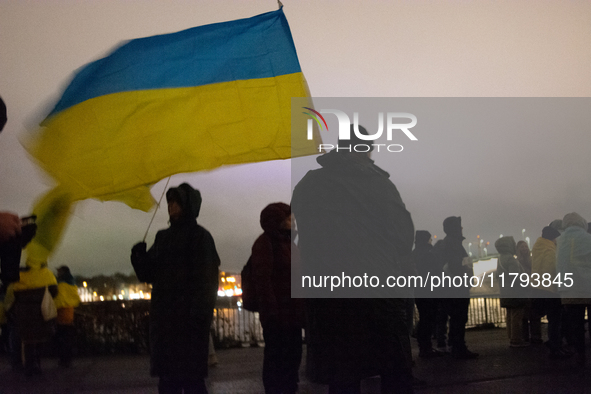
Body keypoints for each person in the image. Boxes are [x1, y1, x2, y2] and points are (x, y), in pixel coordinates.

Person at [292, 125, 415, 393]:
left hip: (330, 298)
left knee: (342, 376)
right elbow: (404, 238)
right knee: (394, 371)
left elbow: (303, 233)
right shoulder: (379, 184)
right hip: (377, 293)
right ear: (364, 149)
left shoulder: (308, 184)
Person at [131, 183, 220, 394]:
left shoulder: (200, 237)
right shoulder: (163, 237)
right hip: (165, 323)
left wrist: (198, 317)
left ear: (188, 205)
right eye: (169, 202)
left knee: (192, 382)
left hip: (188, 324)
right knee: (168, 382)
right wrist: (139, 258)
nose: (171, 206)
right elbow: (148, 274)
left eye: (176, 202)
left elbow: (207, 282)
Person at [252, 203, 303, 394]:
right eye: (289, 219)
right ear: (278, 221)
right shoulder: (265, 244)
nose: (293, 222)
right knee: (277, 363)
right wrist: (271, 313)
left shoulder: (290, 244)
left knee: (291, 361)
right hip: (279, 318)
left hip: (292, 316)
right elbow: (262, 280)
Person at [4, 258, 58, 376]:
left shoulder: (18, 276)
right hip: (40, 311)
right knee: (38, 339)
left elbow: (10, 296)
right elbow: (54, 291)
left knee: (27, 341)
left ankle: (28, 366)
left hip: (22, 312)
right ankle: (37, 364)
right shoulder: (46, 274)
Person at [435, 216, 479, 359]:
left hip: (452, 288)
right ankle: (458, 347)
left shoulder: (448, 243)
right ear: (454, 228)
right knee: (459, 317)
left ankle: (455, 345)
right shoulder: (454, 244)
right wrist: (466, 271)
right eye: (459, 226)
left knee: (456, 318)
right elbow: (456, 265)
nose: (461, 228)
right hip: (457, 288)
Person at [556, 212, 591, 366]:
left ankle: (580, 355)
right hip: (587, 286)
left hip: (568, 290)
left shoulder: (559, 241)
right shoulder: (588, 238)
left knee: (576, 325)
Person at [531, 225, 570, 359]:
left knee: (551, 320)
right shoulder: (550, 249)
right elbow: (553, 269)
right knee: (555, 320)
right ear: (553, 238)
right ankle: (555, 348)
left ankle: (555, 346)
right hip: (550, 290)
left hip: (539, 289)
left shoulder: (538, 248)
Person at [411, 230, 445, 358]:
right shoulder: (429, 254)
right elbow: (436, 272)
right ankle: (426, 348)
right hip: (430, 291)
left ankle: (424, 347)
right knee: (429, 319)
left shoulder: (414, 254)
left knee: (424, 318)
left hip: (419, 291)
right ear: (426, 240)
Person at [495, 236, 529, 348]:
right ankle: (516, 340)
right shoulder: (511, 259)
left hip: (505, 292)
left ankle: (511, 337)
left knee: (509, 316)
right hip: (515, 293)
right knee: (516, 317)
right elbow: (516, 277)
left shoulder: (500, 259)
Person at [53, 265, 81, 367]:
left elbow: (59, 300)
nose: (57, 274)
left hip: (61, 314)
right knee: (68, 339)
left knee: (61, 339)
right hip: (70, 313)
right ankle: (68, 360)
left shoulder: (61, 285)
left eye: (59, 272)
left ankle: (63, 360)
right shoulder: (72, 285)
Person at [516, 240, 542, 344]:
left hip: (532, 289)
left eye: (526, 246)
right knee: (525, 316)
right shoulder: (518, 262)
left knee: (534, 314)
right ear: (518, 249)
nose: (525, 249)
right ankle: (526, 337)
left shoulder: (531, 260)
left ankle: (535, 337)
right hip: (524, 290)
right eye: (522, 247)